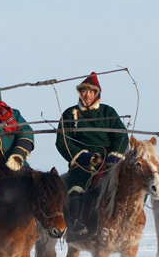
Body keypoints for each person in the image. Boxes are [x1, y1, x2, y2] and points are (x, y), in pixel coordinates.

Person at [55, 72, 129, 235]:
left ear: (97, 93)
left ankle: (128, 221)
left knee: (131, 182)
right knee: (76, 186)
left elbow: (121, 136)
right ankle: (76, 223)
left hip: (109, 160)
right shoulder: (69, 114)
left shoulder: (108, 112)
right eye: (83, 91)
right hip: (82, 162)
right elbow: (63, 142)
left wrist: (114, 157)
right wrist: (86, 157)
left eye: (90, 91)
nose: (86, 94)